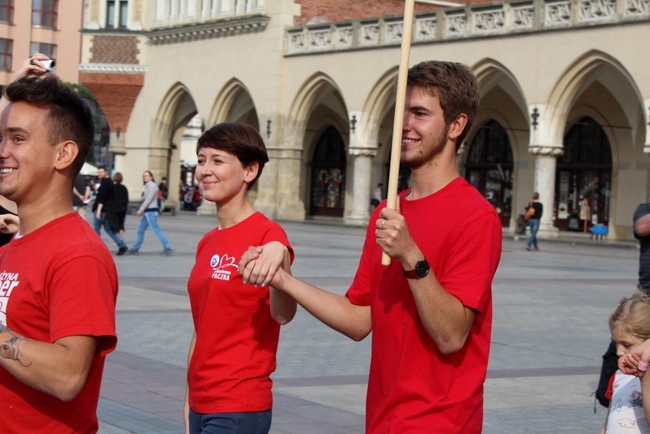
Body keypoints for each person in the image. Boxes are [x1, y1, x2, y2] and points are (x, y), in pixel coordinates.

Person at [239, 60, 503, 432]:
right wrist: (282, 280)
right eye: (402, 113)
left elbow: (451, 336)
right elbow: (359, 319)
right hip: (383, 418)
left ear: (456, 126)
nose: (405, 125)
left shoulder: (476, 217)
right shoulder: (388, 210)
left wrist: (411, 256)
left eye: (420, 114)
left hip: (441, 421)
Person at [0, 55, 118, 433]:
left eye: (18, 139)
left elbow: (68, 376)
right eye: (1, 138)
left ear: (63, 154)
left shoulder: (78, 253)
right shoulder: (11, 247)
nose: (3, 151)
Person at [184, 123, 296, 434]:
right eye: (201, 159)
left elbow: (283, 314)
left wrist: (279, 255)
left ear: (249, 171)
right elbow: (202, 325)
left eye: (218, 161)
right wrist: (188, 396)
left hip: (239, 404)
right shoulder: (207, 241)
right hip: (200, 401)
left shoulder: (268, 235)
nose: (205, 170)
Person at [597, 204, 650, 408]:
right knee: (617, 354)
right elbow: (642, 227)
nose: (621, 351)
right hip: (644, 298)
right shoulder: (644, 208)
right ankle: (611, 396)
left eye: (625, 347)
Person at [602, 292, 650, 433]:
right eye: (616, 343)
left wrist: (645, 377)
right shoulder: (619, 375)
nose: (619, 352)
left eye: (627, 345)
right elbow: (609, 419)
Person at [127, 170, 172, 255]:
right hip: (148, 211)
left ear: (151, 177)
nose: (145, 177)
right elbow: (148, 198)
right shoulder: (149, 186)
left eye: (147, 176)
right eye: (144, 176)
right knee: (140, 230)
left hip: (151, 211)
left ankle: (167, 247)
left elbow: (149, 199)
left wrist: (141, 209)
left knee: (156, 230)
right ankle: (135, 248)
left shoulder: (152, 185)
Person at [92, 166, 129, 255]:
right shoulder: (109, 182)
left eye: (101, 172)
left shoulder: (105, 183)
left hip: (101, 210)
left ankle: (97, 248)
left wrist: (98, 211)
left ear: (106, 172)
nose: (99, 173)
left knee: (96, 229)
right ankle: (121, 245)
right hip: (106, 210)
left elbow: (102, 198)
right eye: (98, 172)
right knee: (109, 229)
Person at [108, 172, 129, 241]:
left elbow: (110, 199)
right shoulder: (124, 188)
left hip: (114, 208)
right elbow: (126, 199)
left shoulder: (112, 187)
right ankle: (121, 237)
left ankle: (117, 239)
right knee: (121, 223)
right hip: (122, 208)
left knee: (115, 223)